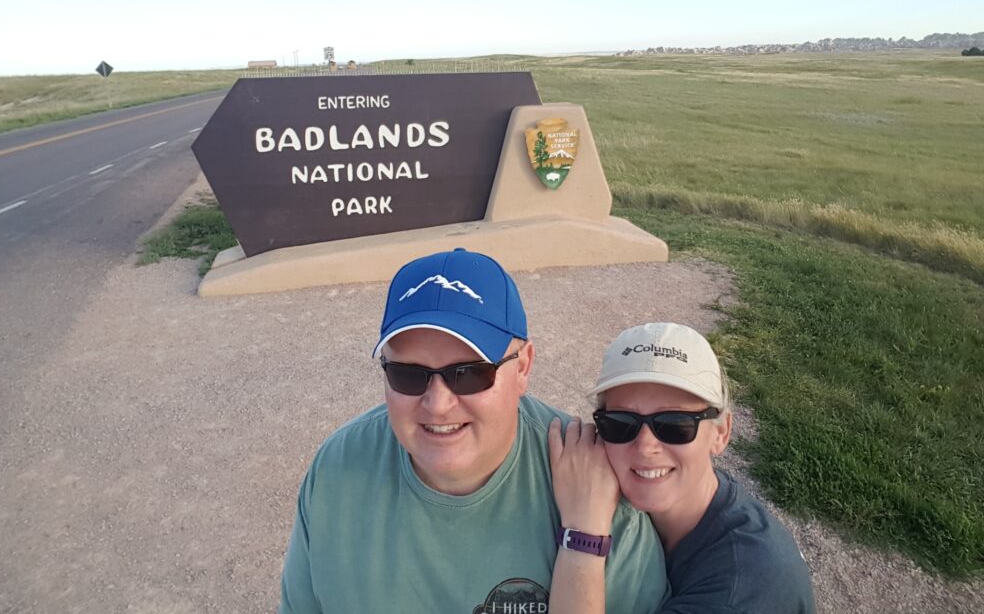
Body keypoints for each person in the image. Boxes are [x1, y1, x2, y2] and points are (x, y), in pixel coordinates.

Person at [279, 248, 669, 613]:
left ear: (523, 367)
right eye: (408, 374)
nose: (437, 403)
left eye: (468, 373)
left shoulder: (591, 479)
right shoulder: (337, 469)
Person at [548, 322, 815, 613]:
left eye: (676, 425)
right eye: (620, 424)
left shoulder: (744, 586)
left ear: (721, 433)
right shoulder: (694, 502)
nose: (645, 446)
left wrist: (584, 536)